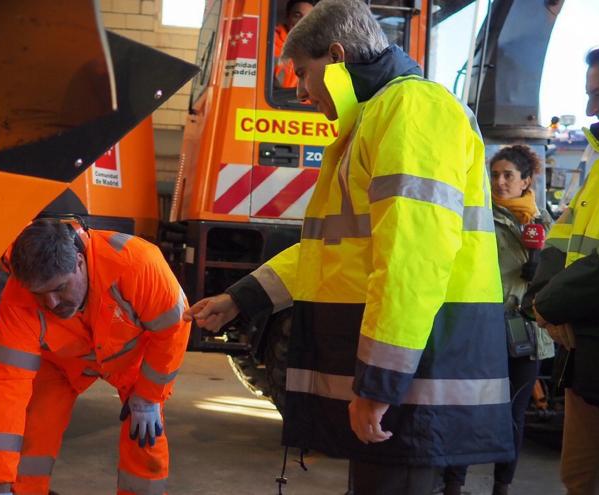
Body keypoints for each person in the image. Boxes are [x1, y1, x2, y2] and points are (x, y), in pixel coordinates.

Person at [184, 1, 514, 493]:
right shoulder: (379, 117)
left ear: (336, 56)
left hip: (416, 381)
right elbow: (330, 252)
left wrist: (380, 383)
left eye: (302, 73)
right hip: (412, 377)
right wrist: (242, 298)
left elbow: (413, 260)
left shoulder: (412, 110)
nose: (300, 88)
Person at [0, 218, 190, 495]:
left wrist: (149, 396)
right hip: (61, 364)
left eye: (59, 288)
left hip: (130, 360)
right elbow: (5, 386)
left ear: (79, 261)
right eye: (40, 294)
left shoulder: (138, 264)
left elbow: (173, 328)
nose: (51, 304)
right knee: (33, 434)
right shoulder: (19, 298)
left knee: (145, 440)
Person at [526, 38, 599, 495]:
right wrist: (544, 301)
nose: (588, 105)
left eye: (598, 94)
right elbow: (562, 236)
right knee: (580, 481)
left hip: (596, 339)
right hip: (591, 357)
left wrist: (552, 305)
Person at [442, 145, 555, 495]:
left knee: (513, 416)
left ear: (527, 180)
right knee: (468, 409)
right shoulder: (477, 217)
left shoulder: (544, 224)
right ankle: (453, 485)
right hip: (483, 328)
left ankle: (501, 487)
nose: (500, 182)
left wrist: (540, 274)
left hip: (527, 333)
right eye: (495, 175)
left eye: (508, 175)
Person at [273, 0, 315, 88]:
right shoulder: (269, 40)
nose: (302, 22)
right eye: (297, 16)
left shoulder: (321, 47)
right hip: (275, 100)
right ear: (287, 17)